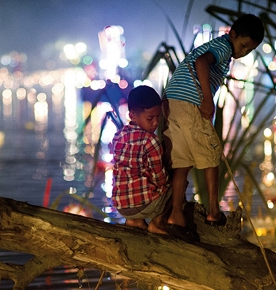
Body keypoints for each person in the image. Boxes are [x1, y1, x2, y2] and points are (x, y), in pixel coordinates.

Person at [163, 14, 265, 232]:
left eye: (249, 50)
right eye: (244, 45)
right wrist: (208, 100)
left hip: (173, 102)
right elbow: (201, 62)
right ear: (233, 35)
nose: (244, 52)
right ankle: (213, 212)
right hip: (191, 102)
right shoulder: (223, 47)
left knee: (181, 162)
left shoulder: (217, 46)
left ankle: (176, 215)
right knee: (211, 157)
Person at [111, 85, 171, 234]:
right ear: (132, 116)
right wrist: (167, 181)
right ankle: (157, 223)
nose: (156, 122)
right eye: (150, 118)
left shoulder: (118, 136)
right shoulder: (151, 141)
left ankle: (134, 221)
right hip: (145, 205)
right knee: (175, 186)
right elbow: (159, 178)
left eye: (158, 117)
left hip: (121, 206)